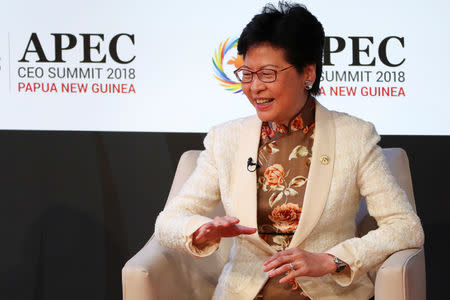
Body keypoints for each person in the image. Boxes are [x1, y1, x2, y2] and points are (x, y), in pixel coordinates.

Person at [155, 2, 424, 299]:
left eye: (267, 74)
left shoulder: (354, 136)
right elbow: (168, 221)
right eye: (247, 74)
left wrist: (332, 260)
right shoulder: (225, 139)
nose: (254, 87)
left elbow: (405, 227)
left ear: (307, 73)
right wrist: (200, 229)